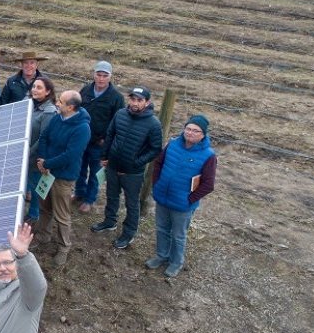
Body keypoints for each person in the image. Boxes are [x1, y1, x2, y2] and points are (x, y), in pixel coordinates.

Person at [92, 86, 163, 249]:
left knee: (132, 203)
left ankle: (128, 233)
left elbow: (155, 149)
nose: (135, 103)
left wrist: (135, 163)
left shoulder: (153, 124)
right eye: (133, 99)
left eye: (139, 100)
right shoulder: (120, 114)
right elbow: (110, 135)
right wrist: (105, 156)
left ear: (147, 102)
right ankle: (109, 221)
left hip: (133, 173)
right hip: (112, 166)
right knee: (111, 196)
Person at [148, 115, 217, 277]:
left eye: (195, 130)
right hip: (163, 197)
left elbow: (208, 184)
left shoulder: (208, 155)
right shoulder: (172, 144)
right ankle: (161, 255)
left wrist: (189, 199)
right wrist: (157, 185)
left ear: (203, 134)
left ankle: (176, 262)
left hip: (183, 204)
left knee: (178, 235)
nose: (190, 133)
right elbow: (158, 163)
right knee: (162, 229)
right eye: (188, 128)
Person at [35, 91, 91, 266]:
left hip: (63, 177)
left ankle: (63, 247)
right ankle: (43, 236)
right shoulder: (57, 118)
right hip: (46, 171)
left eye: (61, 101)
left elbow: (71, 155)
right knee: (44, 207)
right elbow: (44, 138)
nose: (57, 103)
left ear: (71, 107)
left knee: (61, 214)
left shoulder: (82, 128)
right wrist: (42, 161)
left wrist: (48, 163)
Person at [76, 61, 125, 213]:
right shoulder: (85, 91)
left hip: (100, 143)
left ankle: (89, 199)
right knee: (79, 168)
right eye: (99, 74)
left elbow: (118, 121)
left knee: (95, 173)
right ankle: (79, 192)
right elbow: (77, 110)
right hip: (82, 139)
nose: (101, 79)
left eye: (105, 76)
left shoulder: (116, 97)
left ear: (110, 77)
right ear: (94, 74)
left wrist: (107, 140)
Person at [25, 77, 58, 223]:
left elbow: (43, 138)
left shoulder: (49, 111)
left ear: (48, 91)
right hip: (25, 153)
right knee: (27, 184)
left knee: (35, 187)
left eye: (39, 88)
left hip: (35, 157)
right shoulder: (30, 104)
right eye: (33, 87)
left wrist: (28, 153)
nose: (34, 90)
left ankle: (34, 215)